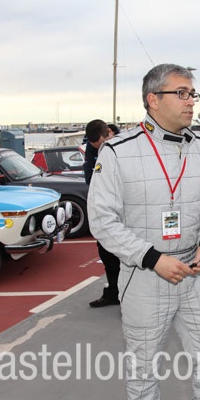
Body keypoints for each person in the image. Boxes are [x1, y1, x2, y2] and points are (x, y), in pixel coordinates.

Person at [88, 63, 200, 400]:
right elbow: (103, 221)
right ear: (153, 99)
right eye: (181, 93)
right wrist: (151, 258)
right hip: (145, 275)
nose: (191, 101)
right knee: (143, 365)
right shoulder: (117, 152)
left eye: (192, 94)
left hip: (195, 273)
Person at [83, 118, 120, 307]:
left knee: (129, 256)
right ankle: (113, 293)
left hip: (124, 209)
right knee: (107, 253)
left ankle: (131, 296)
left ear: (109, 134)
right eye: (94, 146)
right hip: (104, 209)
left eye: (100, 144)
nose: (98, 149)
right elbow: (90, 177)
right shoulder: (92, 148)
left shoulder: (124, 144)